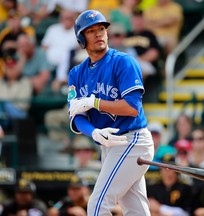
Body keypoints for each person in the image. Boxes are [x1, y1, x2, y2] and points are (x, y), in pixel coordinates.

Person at [68, 10, 154, 215]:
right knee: (136, 210)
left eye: (101, 29)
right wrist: (94, 133)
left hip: (131, 140)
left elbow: (132, 108)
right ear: (81, 39)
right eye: (91, 31)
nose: (98, 34)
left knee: (97, 206)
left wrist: (95, 102)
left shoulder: (123, 62)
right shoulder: (76, 73)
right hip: (108, 144)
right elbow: (76, 115)